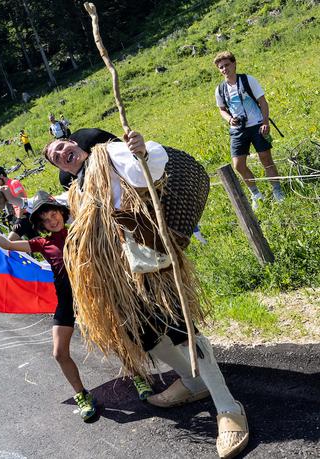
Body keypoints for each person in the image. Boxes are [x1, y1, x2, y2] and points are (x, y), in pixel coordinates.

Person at [23, 128, 248, 459]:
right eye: (55, 157)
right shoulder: (76, 191)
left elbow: (148, 173)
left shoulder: (108, 155)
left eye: (62, 147)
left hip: (147, 257)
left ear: (75, 143)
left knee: (178, 326)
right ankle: (191, 380)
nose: (61, 154)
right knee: (143, 334)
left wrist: (141, 152)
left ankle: (228, 407)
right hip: (119, 275)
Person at [0, 192, 96, 422]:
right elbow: (6, 244)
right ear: (41, 225)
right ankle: (82, 395)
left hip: (92, 296)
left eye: (54, 214)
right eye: (46, 219)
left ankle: (137, 377)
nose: (52, 220)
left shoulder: (79, 231)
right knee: (59, 353)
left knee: (115, 338)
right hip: (66, 301)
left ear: (62, 213)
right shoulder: (42, 244)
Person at [214, 51, 284, 209]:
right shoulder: (220, 89)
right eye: (221, 67)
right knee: (238, 165)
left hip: (257, 124)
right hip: (237, 129)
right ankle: (256, 195)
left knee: (266, 159)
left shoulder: (248, 80)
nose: (224, 69)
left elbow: (263, 102)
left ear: (234, 64)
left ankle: (277, 191)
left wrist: (265, 122)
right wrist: (229, 119)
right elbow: (222, 110)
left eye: (227, 65)